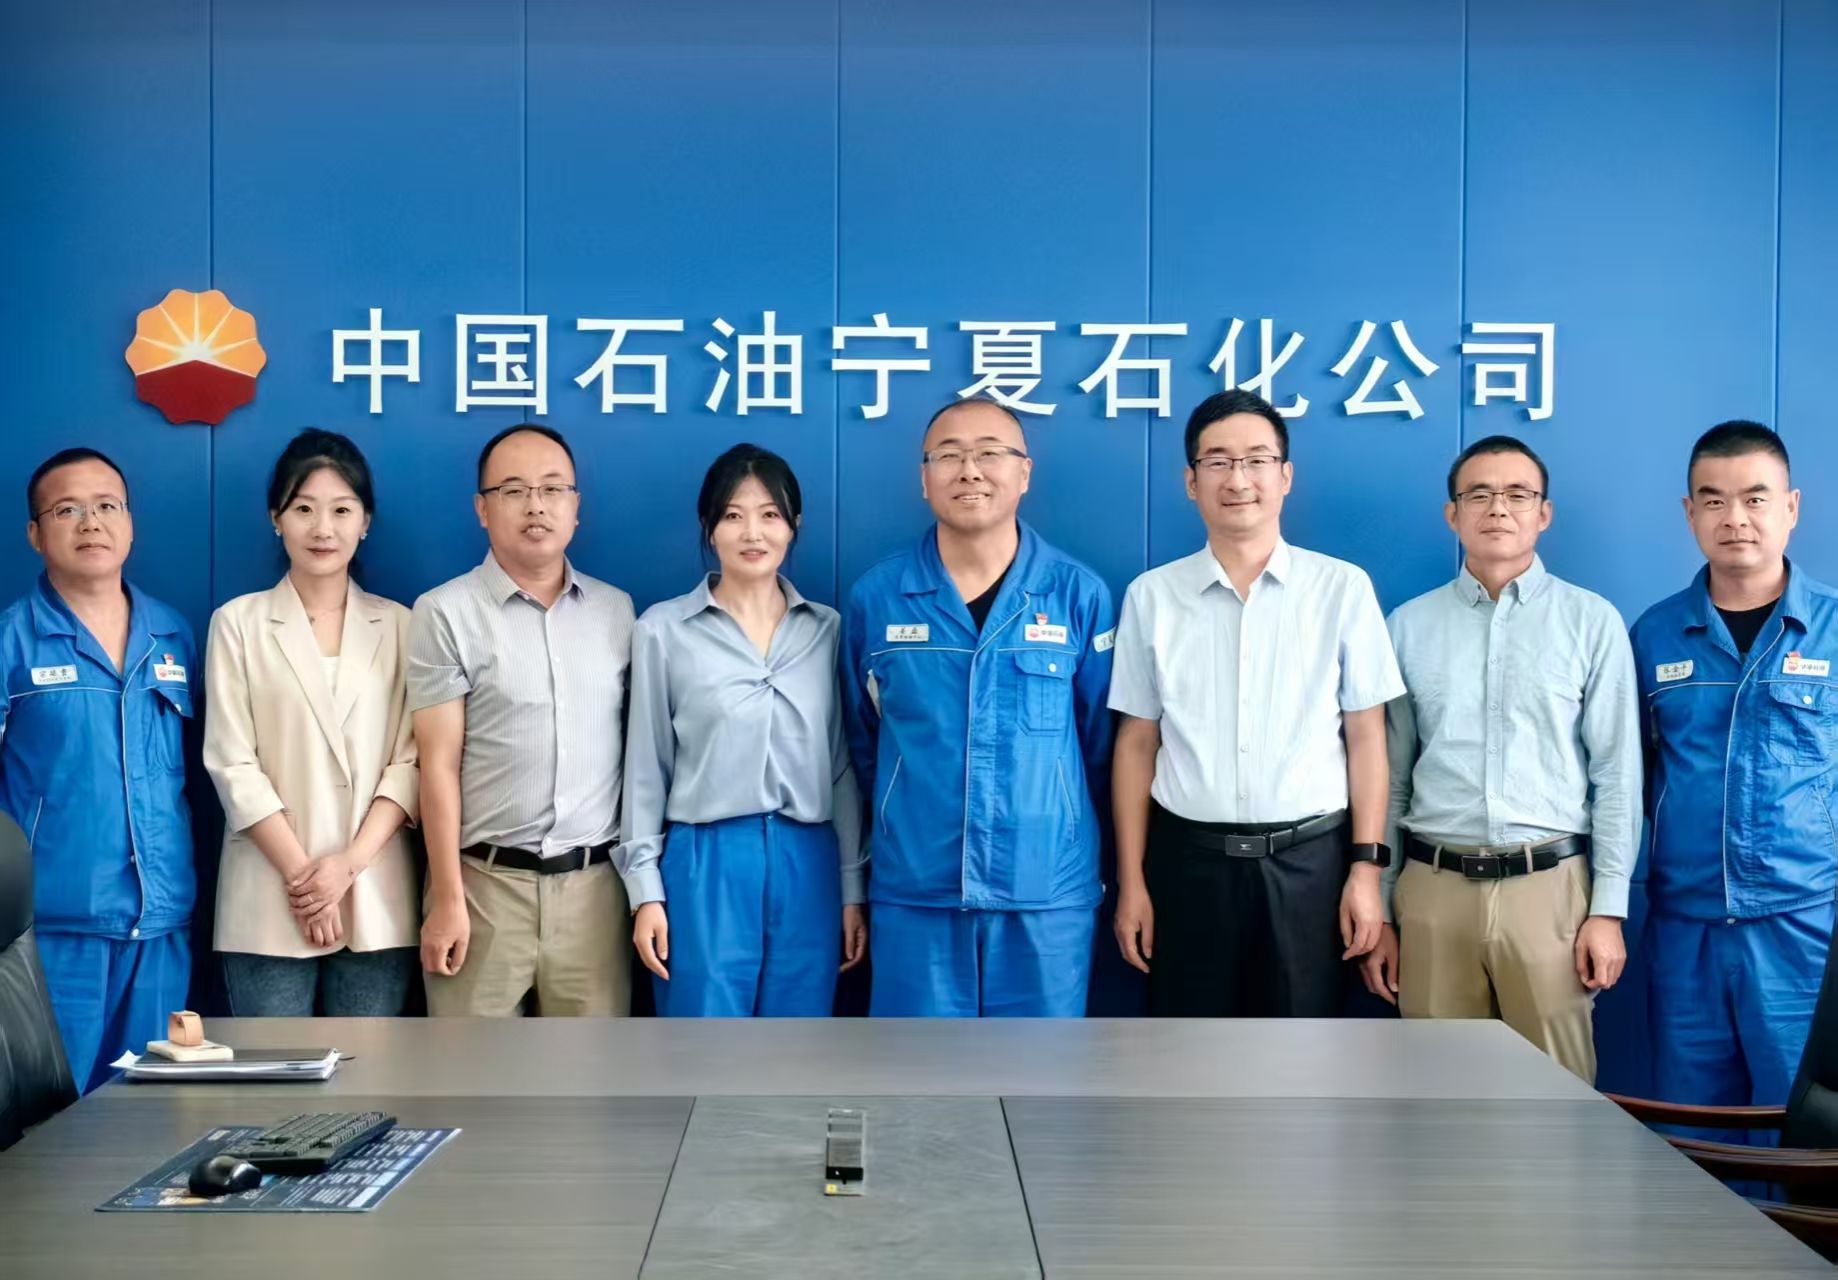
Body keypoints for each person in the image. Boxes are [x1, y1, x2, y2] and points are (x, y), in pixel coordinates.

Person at [1109, 389, 1401, 1017]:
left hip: (1312, 867)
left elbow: (1368, 738)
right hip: (1187, 867)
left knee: (1303, 1060)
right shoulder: (1151, 597)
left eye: (1257, 460)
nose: (1238, 479)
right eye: (1217, 461)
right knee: (1187, 1056)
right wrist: (1132, 883)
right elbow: (1136, 745)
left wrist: (1366, 873)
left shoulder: (1342, 589)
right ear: (1191, 481)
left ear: (1285, 476)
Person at [1362, 435, 1638, 1081]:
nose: (1498, 508)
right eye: (1479, 494)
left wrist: (1607, 909)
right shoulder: (1407, 626)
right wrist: (1382, 905)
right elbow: (1390, 780)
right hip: (1434, 890)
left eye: (1518, 494)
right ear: (1452, 514)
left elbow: (1617, 776)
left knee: (1559, 1101)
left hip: (1550, 891)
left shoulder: (1591, 621)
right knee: (1437, 1096)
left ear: (1544, 513)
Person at [840, 397, 1115, 1017]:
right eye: (950, 455)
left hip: (1047, 893)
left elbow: (1100, 743)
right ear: (924, 477)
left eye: (990, 453)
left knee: (1042, 1073)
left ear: (1024, 472)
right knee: (919, 1075)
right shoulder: (878, 596)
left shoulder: (1077, 594)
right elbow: (861, 741)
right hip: (917, 892)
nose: (970, 470)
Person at [1632, 420, 1838, 1113]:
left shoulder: (1833, 630)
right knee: (1693, 1134)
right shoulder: (1655, 634)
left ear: (1791, 507)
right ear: (1689, 512)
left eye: (1755, 498)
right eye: (1713, 500)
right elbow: (1630, 777)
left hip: (1804, 926)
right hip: (1684, 928)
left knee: (1803, 1129)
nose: (1735, 518)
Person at [623, 444, 867, 1015]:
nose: (752, 532)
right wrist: (645, 892)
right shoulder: (663, 630)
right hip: (705, 860)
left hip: (808, 859)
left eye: (770, 515)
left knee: (797, 1040)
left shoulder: (826, 630)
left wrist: (851, 888)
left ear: (793, 525)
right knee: (703, 1038)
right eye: (733, 515)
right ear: (709, 527)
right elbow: (646, 769)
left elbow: (839, 768)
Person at [408, 423, 636, 1016]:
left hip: (594, 892)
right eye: (513, 490)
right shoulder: (444, 612)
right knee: (468, 1071)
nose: (536, 505)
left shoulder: (616, 611)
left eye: (553, 489)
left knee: (594, 1074)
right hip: (483, 890)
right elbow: (436, 766)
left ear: (576, 507)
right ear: (482, 509)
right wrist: (448, 899)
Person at [203, 429, 421, 1016]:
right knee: (275, 1070)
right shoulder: (238, 623)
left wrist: (345, 869)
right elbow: (231, 763)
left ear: (365, 521)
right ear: (276, 518)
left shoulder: (402, 626)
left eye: (341, 510)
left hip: (374, 889)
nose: (323, 528)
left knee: (372, 1069)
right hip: (270, 890)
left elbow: (411, 762)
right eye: (303, 509)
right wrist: (307, 881)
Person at [0, 448, 195, 1090]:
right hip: (50, 933)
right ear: (35, 534)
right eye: (67, 510)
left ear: (130, 523)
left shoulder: (172, 635)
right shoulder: (10, 641)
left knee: (151, 1118)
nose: (91, 522)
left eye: (107, 506)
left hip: (160, 924)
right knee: (51, 1121)